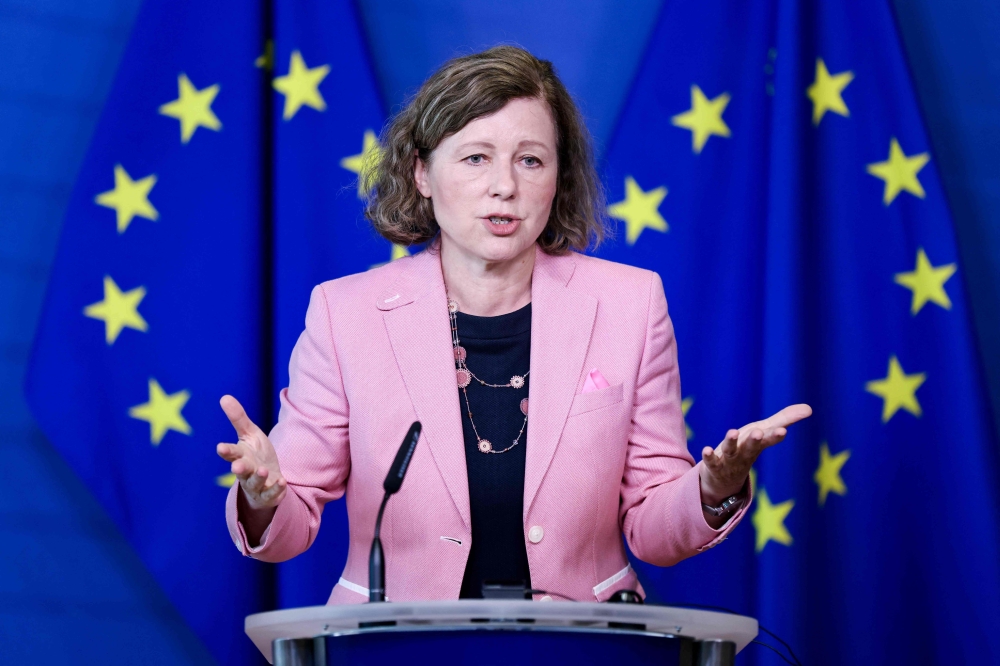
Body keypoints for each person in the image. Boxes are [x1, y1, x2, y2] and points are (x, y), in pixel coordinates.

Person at [217, 45, 812, 603]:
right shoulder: (345, 314)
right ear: (422, 173)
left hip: (583, 643)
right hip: (390, 642)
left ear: (559, 179)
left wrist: (715, 488)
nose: (505, 186)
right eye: (475, 158)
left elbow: (655, 529)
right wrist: (262, 496)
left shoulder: (631, 304)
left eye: (530, 160)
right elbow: (290, 527)